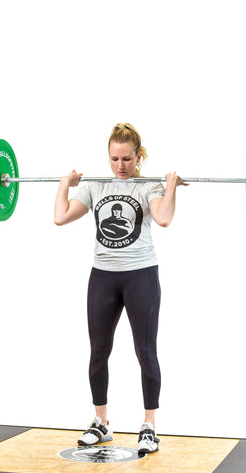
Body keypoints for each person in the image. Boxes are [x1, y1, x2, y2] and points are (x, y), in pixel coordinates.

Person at [53, 123, 186, 455]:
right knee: (99, 351)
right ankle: (101, 423)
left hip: (140, 276)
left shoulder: (147, 186)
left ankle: (149, 426)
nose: (121, 166)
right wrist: (64, 185)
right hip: (103, 277)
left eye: (127, 158)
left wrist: (170, 187)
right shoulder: (97, 185)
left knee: (145, 351)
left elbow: (165, 219)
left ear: (138, 156)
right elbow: (60, 217)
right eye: (114, 159)